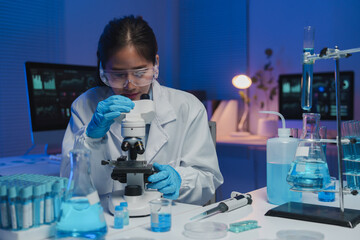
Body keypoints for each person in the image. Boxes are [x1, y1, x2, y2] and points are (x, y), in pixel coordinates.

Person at [61, 15, 223, 206]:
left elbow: (208, 179)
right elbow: (68, 182)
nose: (130, 85)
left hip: (168, 220)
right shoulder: (85, 105)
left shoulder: (187, 107)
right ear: (103, 70)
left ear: (155, 64)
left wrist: (180, 180)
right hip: (107, 220)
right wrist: (91, 138)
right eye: (118, 75)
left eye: (139, 73)